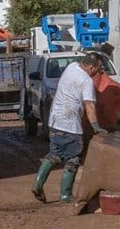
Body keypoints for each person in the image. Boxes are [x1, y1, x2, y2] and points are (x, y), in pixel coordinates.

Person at [32, 52, 106, 203]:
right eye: (98, 70)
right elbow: (89, 105)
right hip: (71, 125)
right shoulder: (86, 81)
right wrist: (96, 126)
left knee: (54, 154)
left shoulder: (71, 67)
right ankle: (65, 194)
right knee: (73, 159)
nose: (97, 73)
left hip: (55, 121)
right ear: (91, 68)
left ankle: (38, 183)